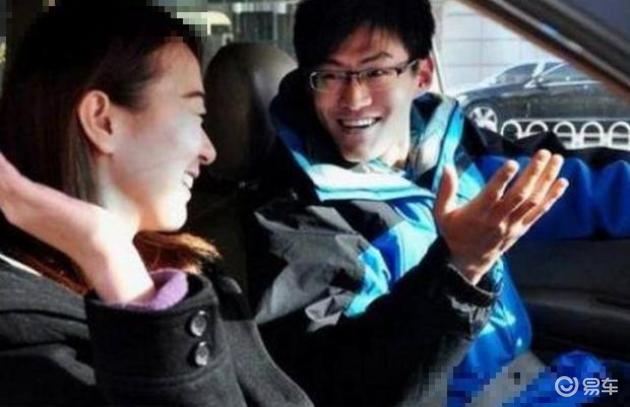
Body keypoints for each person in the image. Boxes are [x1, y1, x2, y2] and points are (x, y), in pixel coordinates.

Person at [247, 0, 628, 405]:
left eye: (376, 72)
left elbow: (571, 184)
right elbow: (339, 385)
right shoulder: (303, 219)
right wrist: (459, 268)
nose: (354, 99)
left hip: (544, 381)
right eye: (330, 75)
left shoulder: (451, 145)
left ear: (423, 74)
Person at [0, 2, 314, 405]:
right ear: (103, 121)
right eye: (196, 114)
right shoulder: (20, 332)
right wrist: (114, 264)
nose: (209, 150)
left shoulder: (194, 274)